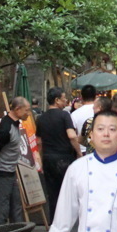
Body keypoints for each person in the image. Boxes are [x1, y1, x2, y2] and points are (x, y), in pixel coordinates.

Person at [0, 96, 37, 232]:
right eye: (27, 110)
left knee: (16, 205)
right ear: (17, 109)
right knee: (2, 209)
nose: (29, 113)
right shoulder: (6, 128)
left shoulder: (14, 123)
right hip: (0, 172)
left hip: (9, 171)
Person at [37, 88, 81, 223]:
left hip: (48, 158)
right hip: (64, 159)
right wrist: (79, 152)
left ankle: (53, 223)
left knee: (52, 193)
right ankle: (64, 225)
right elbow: (72, 136)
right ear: (56, 100)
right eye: (63, 99)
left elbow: (38, 141)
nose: (65, 102)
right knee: (66, 193)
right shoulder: (64, 116)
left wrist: (41, 158)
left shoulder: (41, 118)